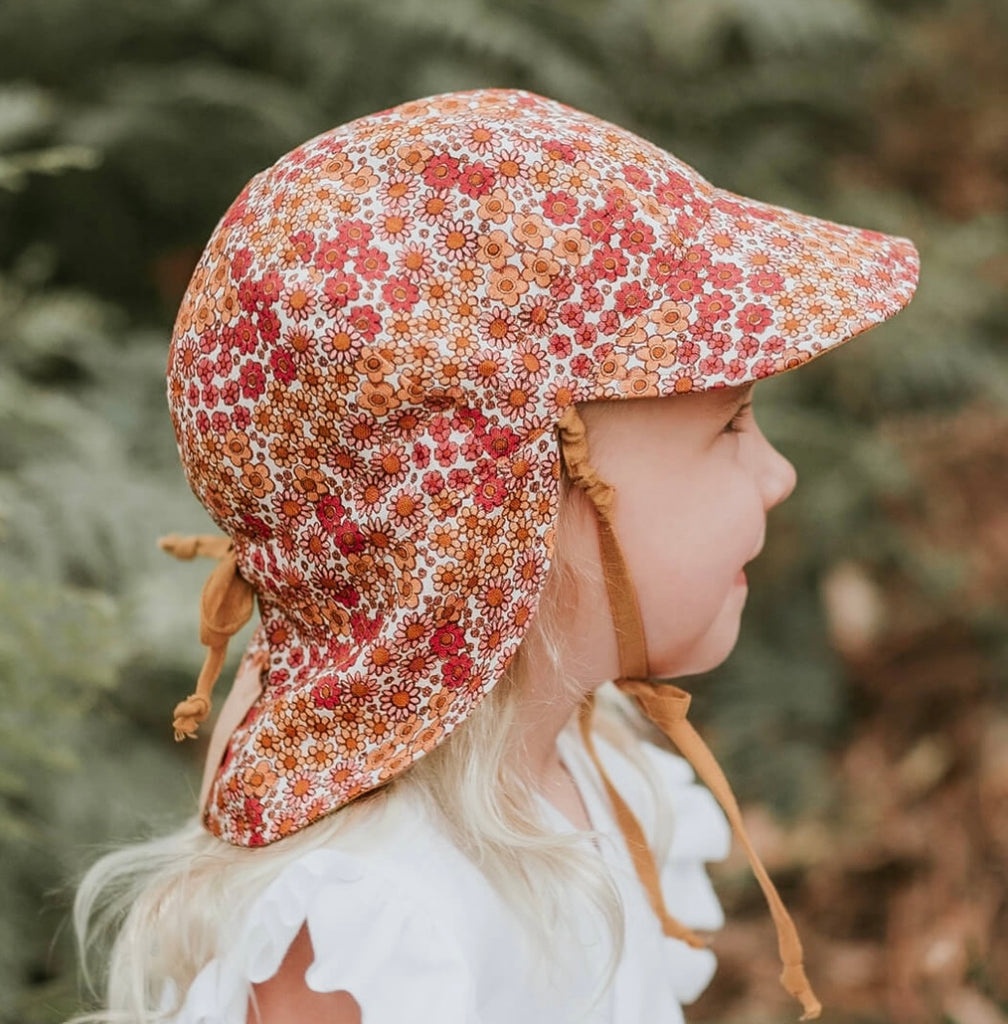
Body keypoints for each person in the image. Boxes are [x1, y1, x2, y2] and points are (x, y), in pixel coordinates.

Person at [72, 87, 919, 1024]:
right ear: (513, 505)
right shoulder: (376, 932)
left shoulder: (594, 763)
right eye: (730, 424)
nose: (778, 474)